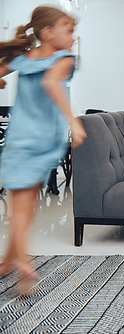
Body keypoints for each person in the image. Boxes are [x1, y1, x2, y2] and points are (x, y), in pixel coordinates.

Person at [0, 6, 87, 294]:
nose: (73, 37)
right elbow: (51, 83)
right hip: (42, 141)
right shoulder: (64, 58)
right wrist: (74, 122)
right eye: (69, 30)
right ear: (48, 33)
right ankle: (21, 262)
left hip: (20, 139)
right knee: (25, 206)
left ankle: (9, 261)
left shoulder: (23, 59)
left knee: (23, 206)